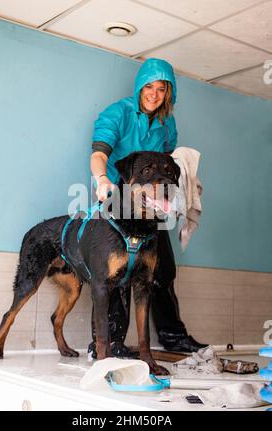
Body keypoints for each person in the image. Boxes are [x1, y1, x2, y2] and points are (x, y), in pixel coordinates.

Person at [88, 58, 207, 357]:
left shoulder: (168, 125)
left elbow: (168, 165)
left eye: (162, 89)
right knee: (118, 273)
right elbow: (99, 154)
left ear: (169, 93)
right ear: (140, 87)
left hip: (152, 204)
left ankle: (173, 336)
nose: (154, 94)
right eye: (149, 87)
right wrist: (102, 180)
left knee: (162, 269)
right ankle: (111, 342)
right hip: (118, 200)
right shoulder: (118, 113)